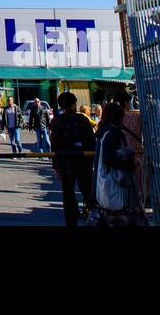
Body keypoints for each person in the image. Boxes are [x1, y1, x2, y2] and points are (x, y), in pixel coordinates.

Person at [93, 101, 144, 226]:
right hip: (116, 183)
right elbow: (110, 158)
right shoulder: (113, 134)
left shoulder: (103, 131)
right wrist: (131, 163)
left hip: (103, 183)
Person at [50, 92, 95, 226]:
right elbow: (91, 141)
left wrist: (56, 164)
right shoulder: (83, 119)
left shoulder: (57, 120)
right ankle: (94, 215)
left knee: (68, 193)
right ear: (73, 104)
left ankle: (71, 220)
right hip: (83, 159)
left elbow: (54, 144)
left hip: (65, 161)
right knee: (87, 190)